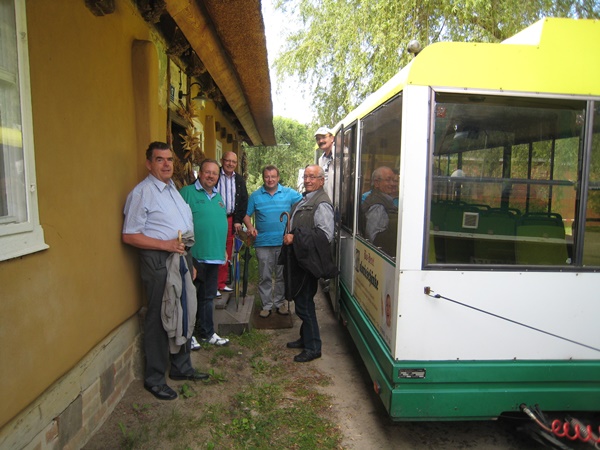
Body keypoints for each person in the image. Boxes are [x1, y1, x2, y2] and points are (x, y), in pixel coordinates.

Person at [122, 141, 209, 401]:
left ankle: (182, 368)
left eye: (169, 159)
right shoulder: (142, 193)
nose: (167, 164)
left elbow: (180, 227)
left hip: (180, 257)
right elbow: (129, 235)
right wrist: (166, 245)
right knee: (161, 317)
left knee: (183, 312)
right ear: (149, 163)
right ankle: (155, 378)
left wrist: (189, 260)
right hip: (158, 260)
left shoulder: (173, 189)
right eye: (160, 159)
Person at [281, 165, 337, 363]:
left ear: (322, 180)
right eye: (305, 176)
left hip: (308, 262)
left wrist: (295, 238)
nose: (307, 180)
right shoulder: (307, 198)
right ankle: (305, 338)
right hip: (300, 260)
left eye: (312, 177)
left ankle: (314, 347)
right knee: (303, 300)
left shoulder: (321, 204)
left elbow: (325, 236)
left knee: (304, 305)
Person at [180, 159, 230, 347]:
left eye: (214, 173)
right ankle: (189, 334)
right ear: (199, 173)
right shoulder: (187, 193)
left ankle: (207, 333)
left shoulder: (218, 197)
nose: (211, 176)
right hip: (195, 256)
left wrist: (223, 249)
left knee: (208, 297)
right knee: (190, 298)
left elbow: (220, 224)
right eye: (207, 172)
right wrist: (186, 254)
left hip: (214, 255)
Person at [243, 165, 302, 318]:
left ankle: (280, 303)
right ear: (263, 178)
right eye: (267, 176)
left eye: (273, 176)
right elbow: (246, 215)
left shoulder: (289, 193)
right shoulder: (256, 196)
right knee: (265, 276)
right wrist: (250, 227)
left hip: (283, 243)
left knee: (282, 275)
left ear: (278, 178)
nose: (270, 179)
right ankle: (267, 305)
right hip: (262, 243)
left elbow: (304, 203)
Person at [216, 151, 248, 297]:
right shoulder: (215, 175)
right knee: (215, 249)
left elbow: (243, 202)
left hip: (230, 219)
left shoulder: (239, 180)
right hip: (215, 218)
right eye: (228, 161)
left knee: (227, 252)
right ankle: (213, 285)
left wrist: (237, 220)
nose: (230, 164)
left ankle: (222, 283)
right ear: (222, 160)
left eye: (233, 162)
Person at [360, 166, 399, 257]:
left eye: (394, 180)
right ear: (377, 183)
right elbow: (374, 238)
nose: (392, 184)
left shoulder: (384, 200)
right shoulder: (377, 205)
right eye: (388, 180)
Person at [315, 126, 334, 199]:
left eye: (323, 137)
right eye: (318, 139)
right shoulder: (321, 160)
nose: (321, 141)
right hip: (326, 201)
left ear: (332, 138)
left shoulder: (342, 154)